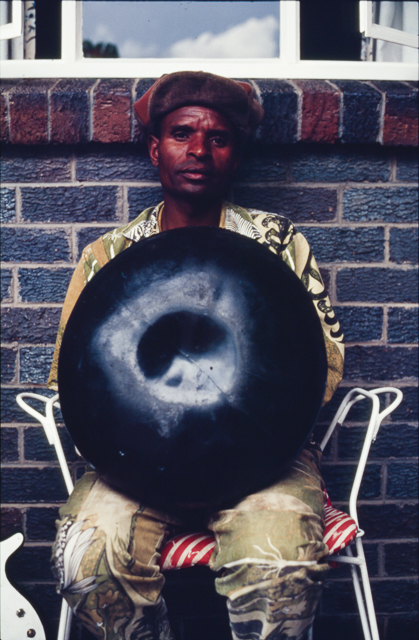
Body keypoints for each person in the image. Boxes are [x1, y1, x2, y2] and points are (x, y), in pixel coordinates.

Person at [48, 71, 344, 640]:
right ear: (155, 147)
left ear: (238, 153)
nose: (199, 151)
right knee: (85, 559)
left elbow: (325, 360)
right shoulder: (109, 255)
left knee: (279, 562)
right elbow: (74, 373)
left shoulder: (279, 244)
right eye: (182, 133)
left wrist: (256, 419)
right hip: (134, 464)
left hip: (265, 462)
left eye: (219, 138)